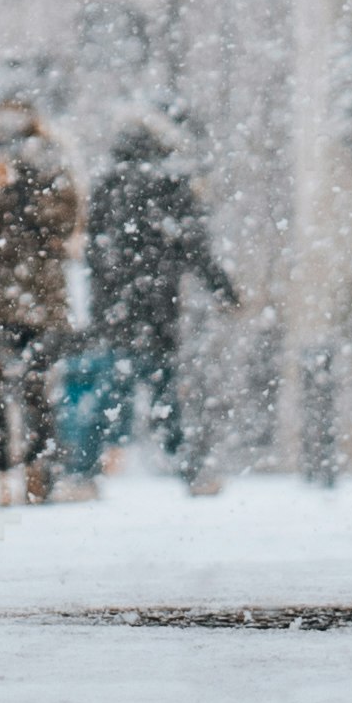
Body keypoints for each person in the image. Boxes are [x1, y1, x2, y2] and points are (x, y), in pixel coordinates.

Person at [75, 119, 237, 485]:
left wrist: (101, 305)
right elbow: (195, 248)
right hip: (158, 309)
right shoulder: (169, 187)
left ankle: (82, 473)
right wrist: (224, 291)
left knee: (107, 395)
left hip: (114, 312)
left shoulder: (106, 187)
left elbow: (93, 254)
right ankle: (190, 471)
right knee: (165, 400)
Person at [0, 95, 84, 502]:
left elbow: (66, 216)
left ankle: (38, 470)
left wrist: (26, 187)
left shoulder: (51, 158)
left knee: (36, 385)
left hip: (42, 293)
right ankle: (3, 474)